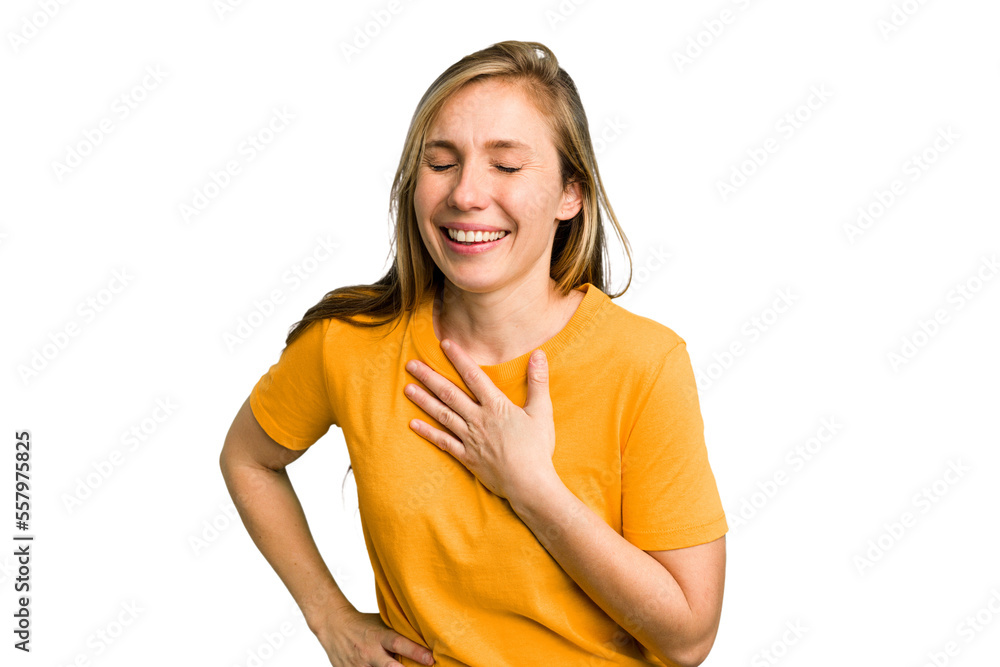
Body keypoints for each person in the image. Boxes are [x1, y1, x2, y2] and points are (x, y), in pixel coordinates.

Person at [220, 40, 727, 667]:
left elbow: (688, 639)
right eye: (441, 163)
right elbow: (248, 458)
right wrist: (328, 617)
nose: (465, 194)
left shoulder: (644, 363)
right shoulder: (348, 344)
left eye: (506, 166)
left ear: (570, 194)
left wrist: (531, 487)